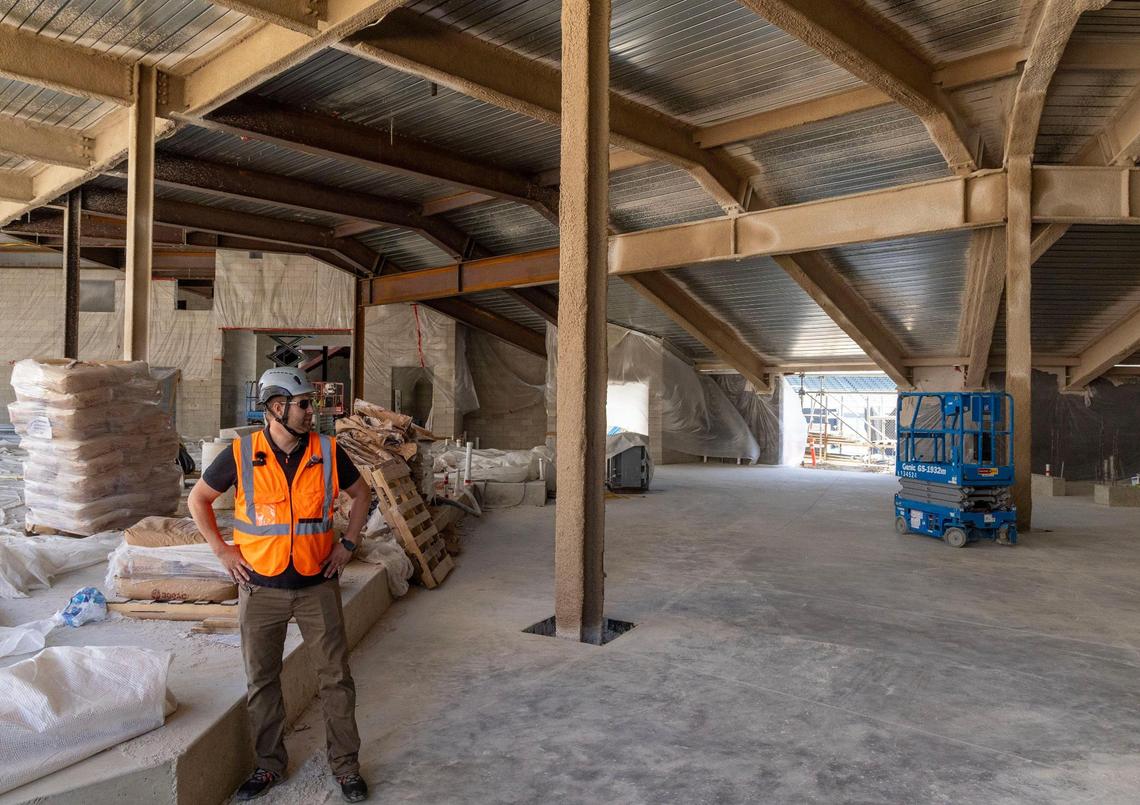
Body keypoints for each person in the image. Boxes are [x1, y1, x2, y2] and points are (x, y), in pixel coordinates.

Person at [188, 367, 372, 802]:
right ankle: (269, 766)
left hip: (317, 586)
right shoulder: (240, 453)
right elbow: (199, 499)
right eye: (304, 403)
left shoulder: (328, 452)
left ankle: (345, 768)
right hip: (259, 588)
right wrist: (222, 551)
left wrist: (348, 543)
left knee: (336, 679)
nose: (312, 411)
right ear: (276, 408)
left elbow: (362, 495)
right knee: (262, 680)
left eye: (311, 403)